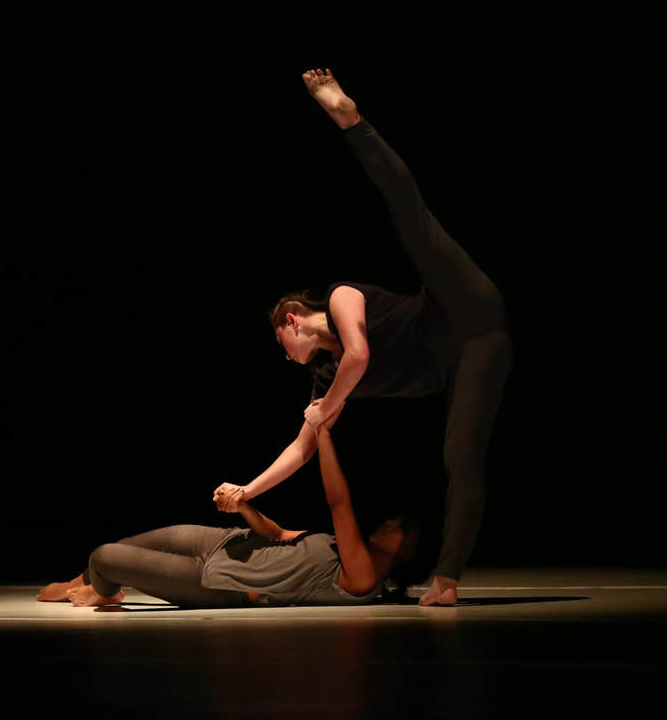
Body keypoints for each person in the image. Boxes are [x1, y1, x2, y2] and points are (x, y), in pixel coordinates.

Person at [212, 69, 513, 606]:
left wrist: (327, 406)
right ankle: (447, 580)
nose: (288, 359)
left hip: (458, 303)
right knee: (460, 453)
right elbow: (302, 448)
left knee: (411, 220)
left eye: (283, 346)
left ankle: (351, 122)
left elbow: (359, 353)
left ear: (291, 320)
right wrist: (246, 491)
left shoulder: (341, 297)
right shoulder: (325, 376)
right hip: (472, 354)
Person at [36, 425, 421, 608]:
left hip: (220, 582)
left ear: (407, 555)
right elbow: (278, 534)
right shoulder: (337, 549)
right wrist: (243, 507)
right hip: (230, 543)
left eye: (403, 530)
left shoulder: (363, 578)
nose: (392, 523)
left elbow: (339, 504)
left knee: (105, 555)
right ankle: (84, 584)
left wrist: (323, 434)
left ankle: (103, 591)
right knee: (121, 547)